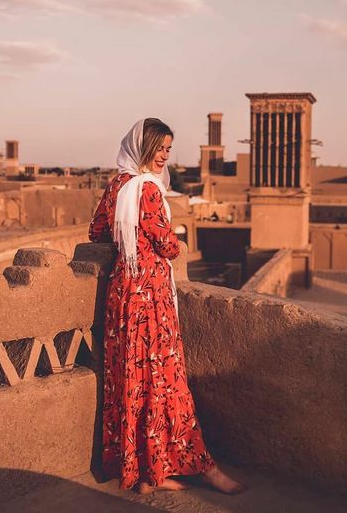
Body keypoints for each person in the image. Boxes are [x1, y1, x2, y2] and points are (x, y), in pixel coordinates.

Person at [89, 118, 244, 495]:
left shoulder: (116, 187)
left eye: (167, 150)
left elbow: (96, 232)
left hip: (122, 296)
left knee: (133, 382)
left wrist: (131, 243)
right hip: (152, 299)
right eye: (159, 149)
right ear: (143, 149)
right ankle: (198, 467)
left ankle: (145, 475)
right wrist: (170, 244)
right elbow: (168, 244)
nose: (163, 157)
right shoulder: (149, 190)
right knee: (165, 381)